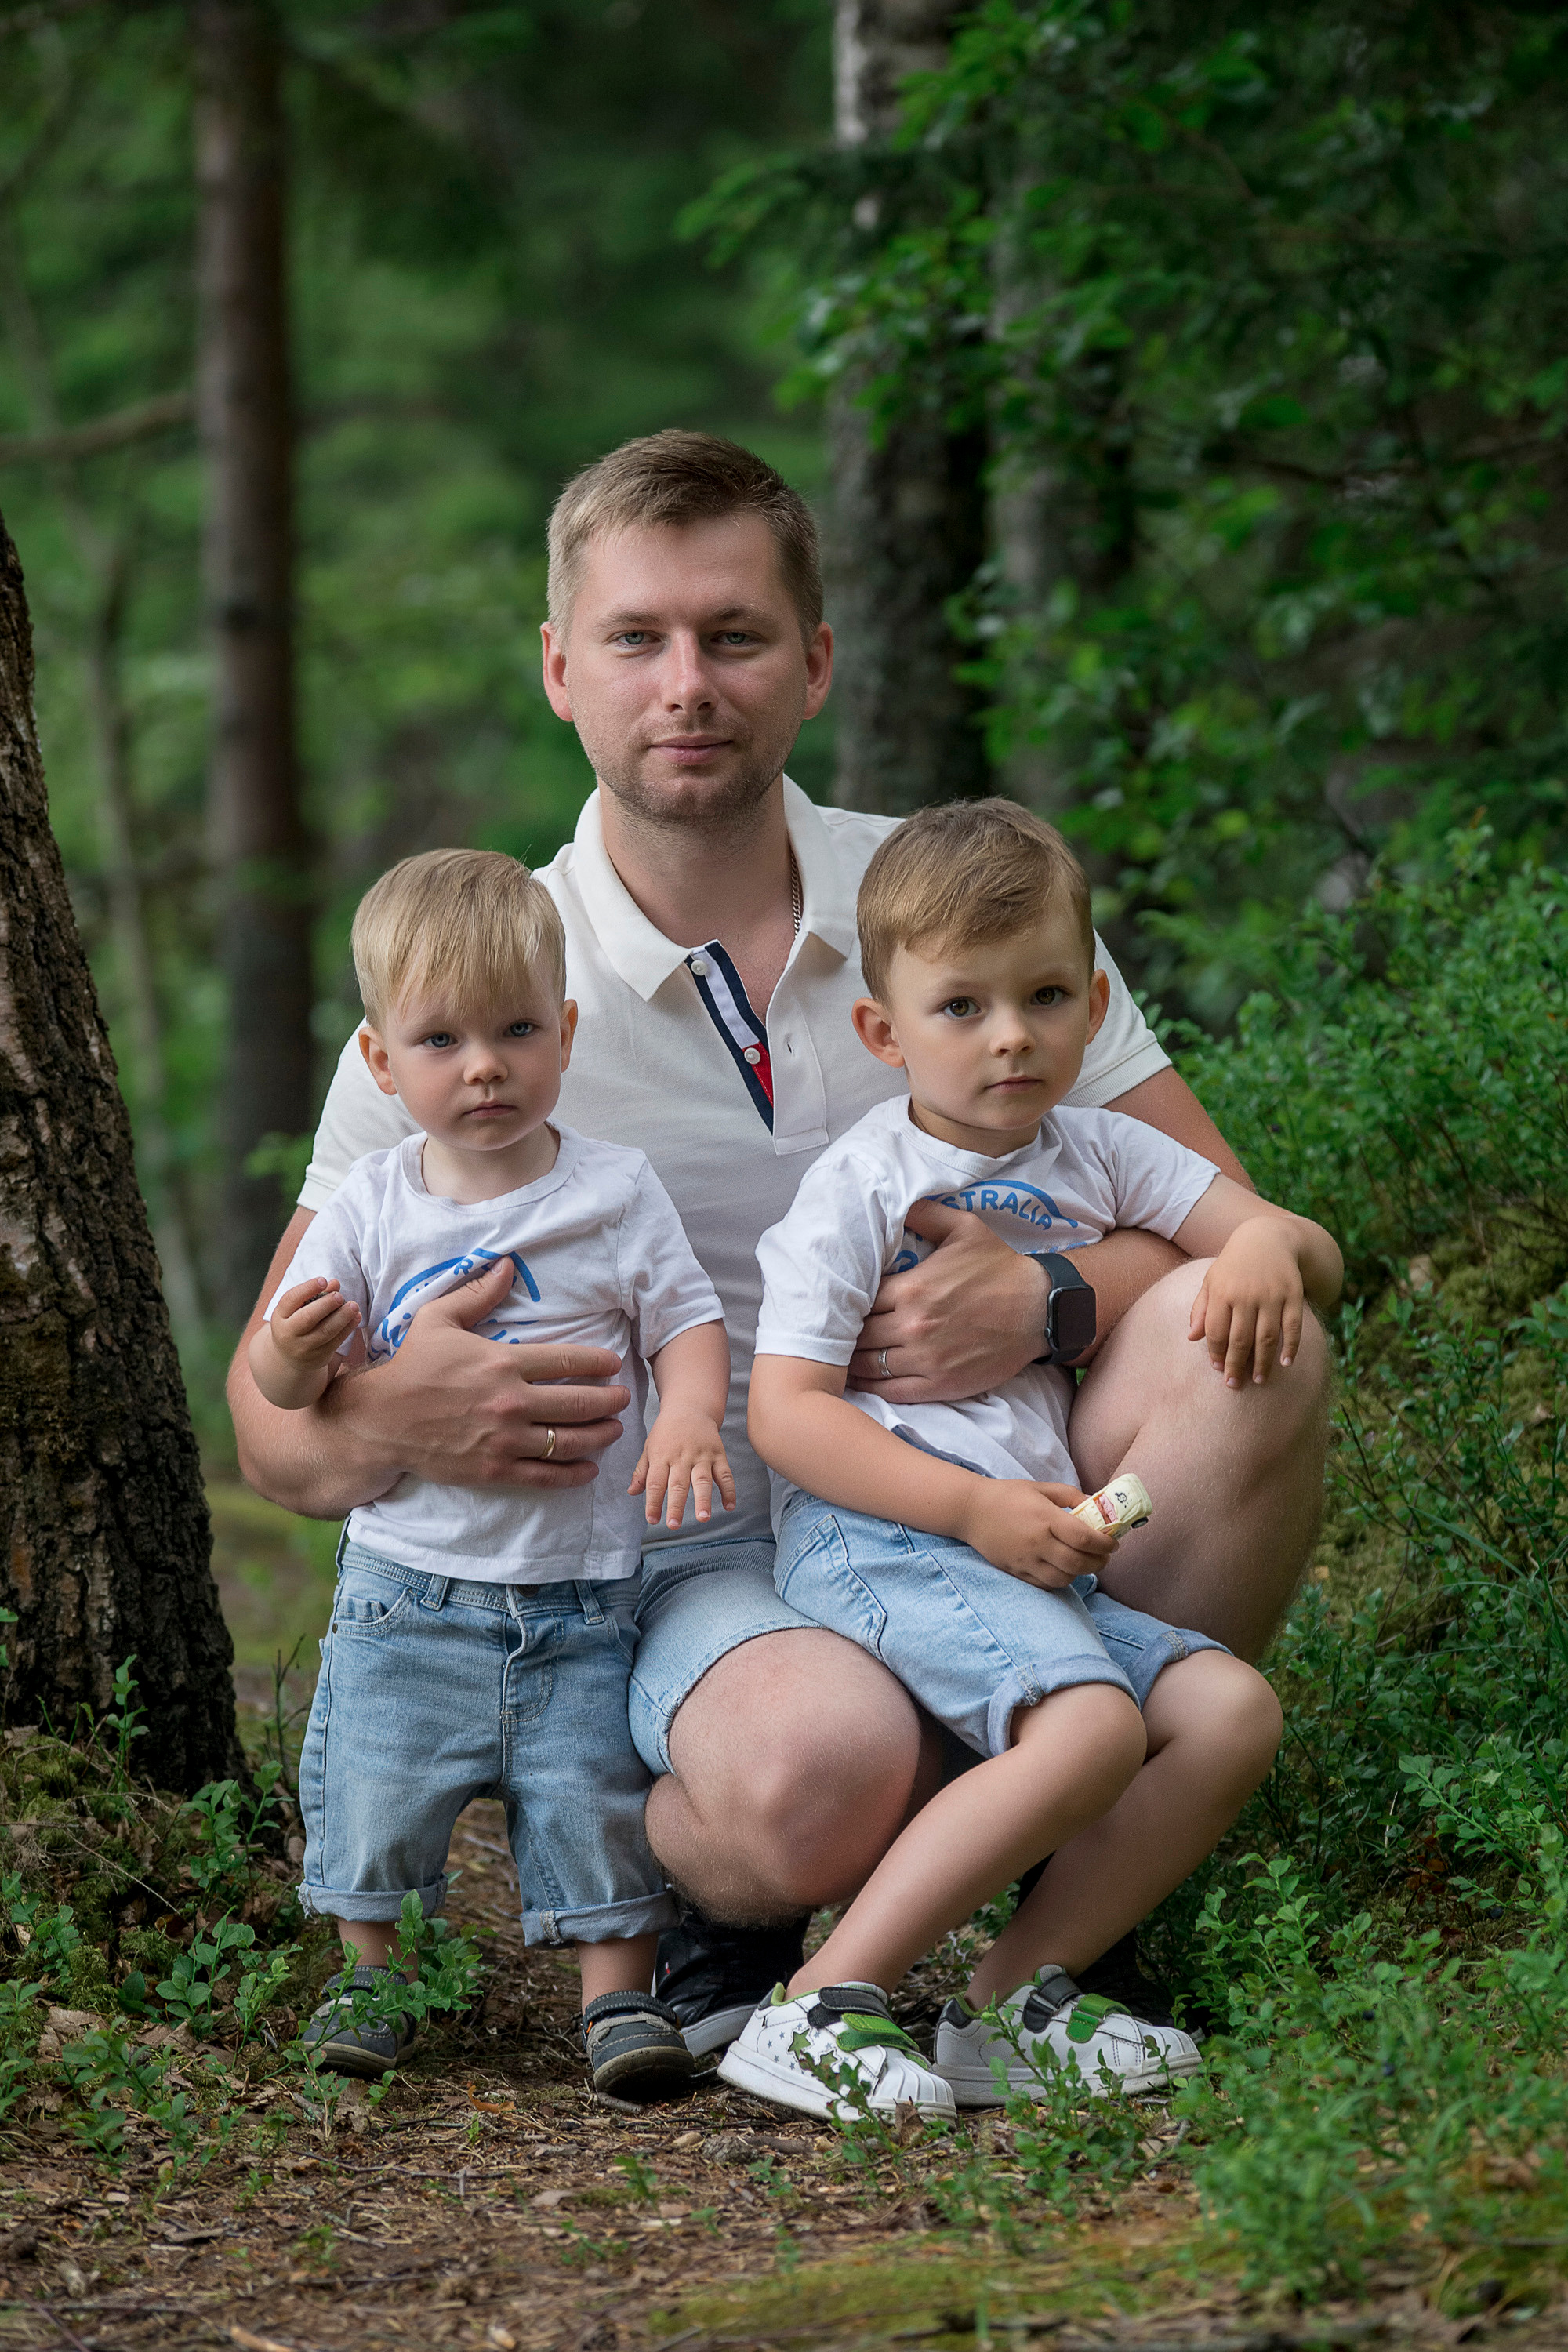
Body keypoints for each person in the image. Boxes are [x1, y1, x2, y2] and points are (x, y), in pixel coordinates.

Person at [227, 430, 1332, 2061]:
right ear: (559, 670)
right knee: (818, 1766)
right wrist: (385, 1421)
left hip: (985, 1470)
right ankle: (735, 1893)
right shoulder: (478, 998)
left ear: (811, 662)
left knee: (1259, 1350)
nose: (688, 683)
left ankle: (1066, 1907)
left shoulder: (964, 908)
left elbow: (1264, 1251)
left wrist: (1041, 1294)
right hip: (677, 1559)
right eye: (637, 640)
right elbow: (269, 1431)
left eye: (733, 637)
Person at [720, 800, 1336, 2118]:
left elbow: (1294, 1247)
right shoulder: (861, 1188)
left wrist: (1273, 1245)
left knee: (1229, 1713)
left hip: (1027, 1545)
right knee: (1096, 1722)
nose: (1011, 1035)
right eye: (963, 1007)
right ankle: (818, 2006)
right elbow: (786, 1414)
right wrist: (972, 1508)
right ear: (883, 1032)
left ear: (1094, 999)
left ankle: (1007, 2008)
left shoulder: (1105, 1152)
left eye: (1047, 995)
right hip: (880, 1527)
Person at [249, 848, 732, 2095]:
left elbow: (685, 1322)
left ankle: (617, 2002)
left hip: (580, 1590)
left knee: (590, 1793)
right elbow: (286, 1383)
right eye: (441, 1039)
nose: (484, 1066)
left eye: (517, 1029)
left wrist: (689, 1421)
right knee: (378, 1785)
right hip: (410, 1586)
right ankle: (371, 1977)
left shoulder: (615, 1193)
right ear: (379, 1062)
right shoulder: (370, 1204)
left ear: (566, 1033)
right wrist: (296, 1363)